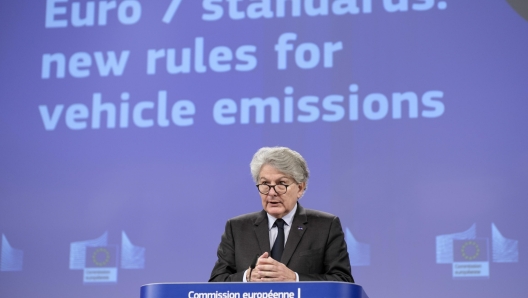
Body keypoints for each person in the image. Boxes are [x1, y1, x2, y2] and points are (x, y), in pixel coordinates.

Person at [209, 146, 354, 282]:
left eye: (281, 183)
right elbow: (216, 281)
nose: (272, 193)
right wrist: (248, 277)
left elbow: (342, 280)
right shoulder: (237, 228)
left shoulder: (326, 226)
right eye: (265, 184)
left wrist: (294, 278)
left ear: (300, 188)